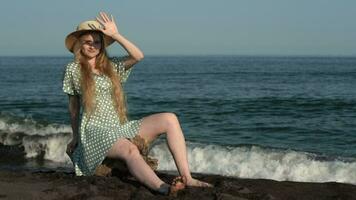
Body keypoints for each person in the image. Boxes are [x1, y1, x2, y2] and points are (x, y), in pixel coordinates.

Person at [63, 12, 212, 195]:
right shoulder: (73, 69)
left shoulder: (112, 66)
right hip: (94, 131)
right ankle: (164, 188)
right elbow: (73, 108)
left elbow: (138, 55)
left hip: (118, 127)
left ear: (102, 45)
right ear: (79, 43)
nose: (93, 46)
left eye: (97, 41)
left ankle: (187, 178)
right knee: (129, 148)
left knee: (170, 119)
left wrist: (115, 35)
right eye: (88, 42)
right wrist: (76, 137)